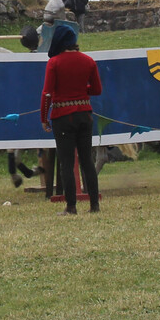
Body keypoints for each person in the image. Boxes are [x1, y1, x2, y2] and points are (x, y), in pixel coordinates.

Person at [40, 23, 102, 215]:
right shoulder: (89, 61)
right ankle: (94, 205)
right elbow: (97, 90)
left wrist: (44, 117)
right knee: (87, 161)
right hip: (85, 115)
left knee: (66, 162)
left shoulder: (54, 63)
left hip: (62, 117)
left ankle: (72, 206)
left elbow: (47, 93)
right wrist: (83, 92)